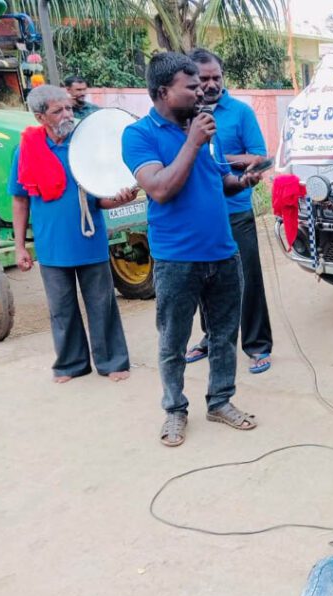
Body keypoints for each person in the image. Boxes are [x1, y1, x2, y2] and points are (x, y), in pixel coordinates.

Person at [121, 52, 263, 447]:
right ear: (164, 92)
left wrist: (244, 179)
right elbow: (161, 188)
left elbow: (218, 180)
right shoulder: (140, 135)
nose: (202, 91)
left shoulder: (200, 128)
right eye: (192, 86)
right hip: (177, 259)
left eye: (203, 84)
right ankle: (175, 410)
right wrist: (193, 141)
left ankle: (220, 402)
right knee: (173, 341)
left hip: (222, 251)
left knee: (223, 335)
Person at [9, 85, 135, 383]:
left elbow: (100, 198)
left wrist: (121, 198)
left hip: (89, 239)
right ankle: (71, 364)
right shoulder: (27, 149)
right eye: (58, 111)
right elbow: (19, 199)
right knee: (61, 309)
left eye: (68, 108)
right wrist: (19, 247)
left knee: (101, 304)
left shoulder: (85, 144)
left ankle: (112, 362)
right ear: (41, 117)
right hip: (52, 244)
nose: (67, 114)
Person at [183, 48, 274, 375]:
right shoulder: (185, 114)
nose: (211, 84)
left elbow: (258, 157)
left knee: (247, 279)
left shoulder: (240, 112)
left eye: (216, 78)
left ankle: (257, 345)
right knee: (206, 280)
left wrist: (217, 158)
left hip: (235, 210)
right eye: (204, 79)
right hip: (200, 215)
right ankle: (210, 338)